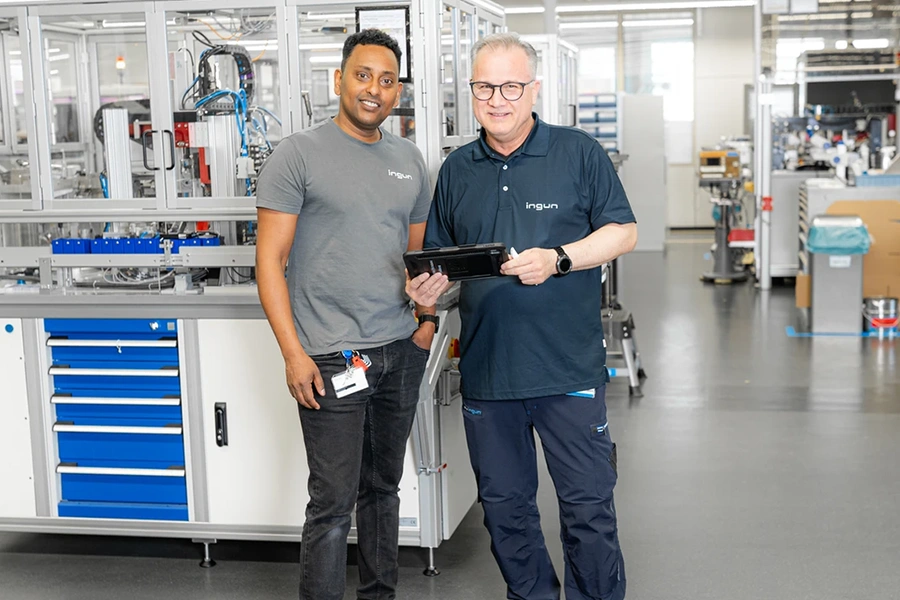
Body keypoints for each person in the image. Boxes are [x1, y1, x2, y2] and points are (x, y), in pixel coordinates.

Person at [423, 33, 638, 600]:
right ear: (471, 92)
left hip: (567, 370)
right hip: (490, 375)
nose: (498, 99)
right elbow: (446, 266)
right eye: (485, 87)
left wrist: (562, 258)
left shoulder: (578, 152)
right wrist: (428, 290)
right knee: (505, 511)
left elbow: (624, 231)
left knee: (588, 509)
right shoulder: (456, 170)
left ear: (534, 88)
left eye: (511, 86)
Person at [255, 29, 449, 600]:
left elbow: (417, 260)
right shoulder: (298, 154)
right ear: (338, 80)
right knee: (333, 505)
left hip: (398, 351)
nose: (375, 90)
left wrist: (426, 321)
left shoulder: (408, 159)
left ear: (397, 93)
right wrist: (293, 354)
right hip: (332, 355)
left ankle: (379, 594)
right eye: (363, 76)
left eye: (388, 81)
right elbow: (270, 263)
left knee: (383, 489)